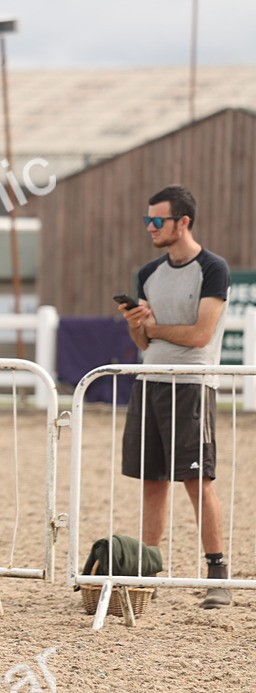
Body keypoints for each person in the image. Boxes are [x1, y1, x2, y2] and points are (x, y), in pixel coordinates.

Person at [119, 185, 231, 608]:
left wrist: (154, 326)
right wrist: (136, 323)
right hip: (150, 382)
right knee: (151, 481)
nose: (149, 227)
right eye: (147, 220)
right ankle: (147, 569)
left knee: (197, 481)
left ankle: (217, 571)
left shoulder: (213, 269)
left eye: (157, 220)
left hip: (192, 385)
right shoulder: (147, 272)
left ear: (183, 222)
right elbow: (143, 343)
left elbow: (201, 335)